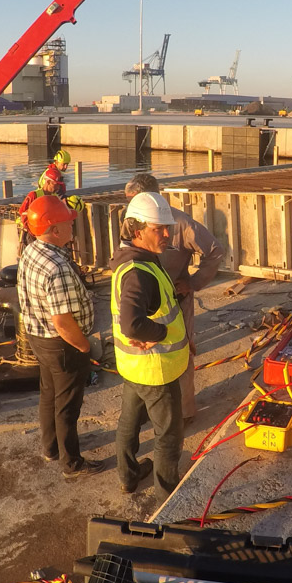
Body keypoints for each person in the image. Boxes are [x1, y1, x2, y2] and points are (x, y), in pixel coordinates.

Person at [124, 173, 223, 423]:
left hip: (175, 302)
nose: (132, 208)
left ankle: (184, 412)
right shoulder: (131, 221)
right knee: (148, 357)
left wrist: (192, 282)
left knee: (181, 354)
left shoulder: (181, 224)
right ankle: (156, 408)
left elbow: (214, 251)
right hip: (145, 300)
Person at [17, 195, 104, 478]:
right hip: (62, 344)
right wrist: (84, 347)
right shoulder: (59, 269)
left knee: (49, 394)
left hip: (38, 337)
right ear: (54, 229)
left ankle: (51, 448)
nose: (72, 226)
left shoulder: (32, 251)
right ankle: (71, 464)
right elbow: (63, 322)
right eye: (68, 222)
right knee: (67, 405)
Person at [109, 191, 189, 495]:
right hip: (156, 370)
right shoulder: (140, 274)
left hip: (134, 366)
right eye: (159, 229)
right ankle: (167, 496)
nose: (167, 234)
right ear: (137, 230)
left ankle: (128, 477)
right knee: (169, 434)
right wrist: (161, 335)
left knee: (128, 423)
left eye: (167, 228)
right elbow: (132, 323)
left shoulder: (134, 262)